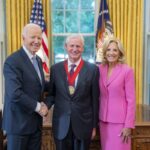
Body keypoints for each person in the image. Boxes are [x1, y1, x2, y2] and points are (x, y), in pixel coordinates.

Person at [45, 34, 100, 150]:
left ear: (83, 48)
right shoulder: (55, 69)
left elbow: (95, 100)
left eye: (78, 46)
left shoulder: (93, 70)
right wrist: (44, 107)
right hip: (61, 124)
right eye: (72, 46)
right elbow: (51, 95)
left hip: (84, 125)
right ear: (66, 47)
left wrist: (94, 126)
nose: (75, 49)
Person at [2, 23, 48, 150]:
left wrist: (64, 82)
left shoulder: (38, 60)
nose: (36, 41)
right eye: (33, 37)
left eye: (39, 38)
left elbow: (38, 85)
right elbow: (15, 93)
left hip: (35, 125)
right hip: (18, 126)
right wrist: (39, 107)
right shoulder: (13, 61)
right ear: (23, 38)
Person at [99, 37, 136, 150]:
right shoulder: (100, 69)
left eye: (115, 50)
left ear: (120, 53)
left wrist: (128, 125)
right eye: (108, 50)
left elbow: (131, 100)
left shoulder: (127, 71)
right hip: (103, 122)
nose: (111, 53)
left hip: (120, 123)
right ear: (105, 52)